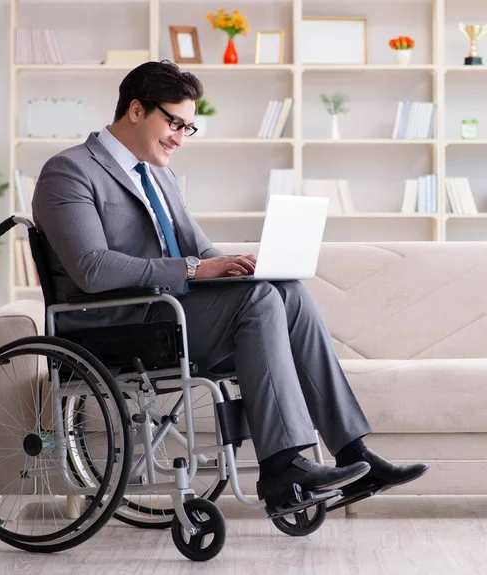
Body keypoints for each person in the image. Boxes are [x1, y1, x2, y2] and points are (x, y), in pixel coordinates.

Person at [32, 60, 428, 514]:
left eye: (189, 128)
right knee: (257, 303)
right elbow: (93, 269)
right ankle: (282, 468)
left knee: (286, 292)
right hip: (116, 326)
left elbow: (199, 250)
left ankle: (354, 454)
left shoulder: (158, 174)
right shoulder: (69, 171)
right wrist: (194, 270)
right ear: (137, 110)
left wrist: (242, 267)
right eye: (174, 123)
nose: (180, 138)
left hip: (170, 315)